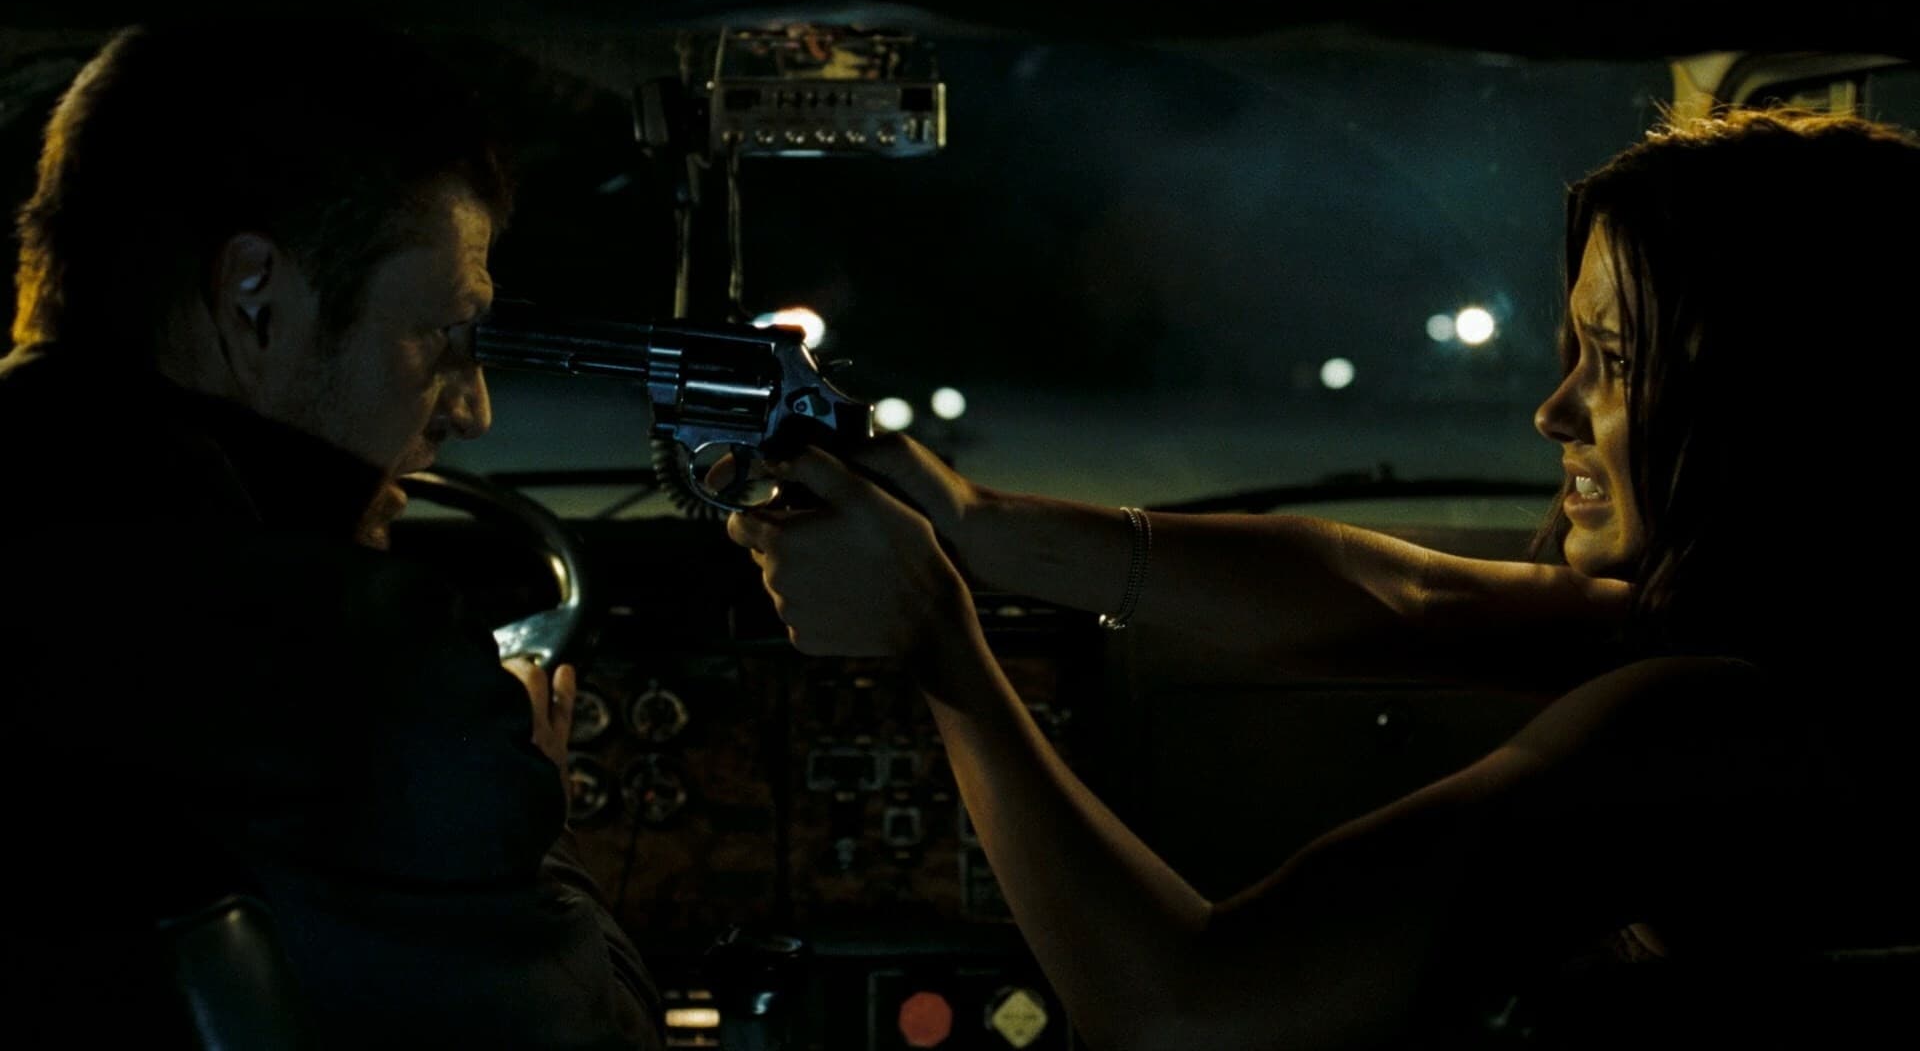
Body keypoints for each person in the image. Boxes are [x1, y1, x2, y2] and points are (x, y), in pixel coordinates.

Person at [729, 107, 1920, 1048]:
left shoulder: (1716, 723)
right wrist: (973, 525)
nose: (1556, 411)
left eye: (1615, 362)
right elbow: (1407, 599)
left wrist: (941, 648)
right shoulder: (1818, 626)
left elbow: (1190, 1011)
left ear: (1773, 407)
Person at [1, 21, 661, 1048]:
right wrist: (533, 808)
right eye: (441, 335)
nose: (473, 408)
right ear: (255, 298)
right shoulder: (368, 666)